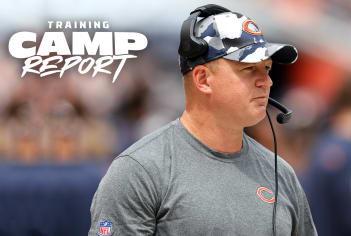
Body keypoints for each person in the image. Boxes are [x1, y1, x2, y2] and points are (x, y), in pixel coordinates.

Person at [88, 4, 317, 236]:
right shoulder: (139, 171)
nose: (266, 82)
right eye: (248, 69)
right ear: (203, 79)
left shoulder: (281, 174)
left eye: (266, 69)